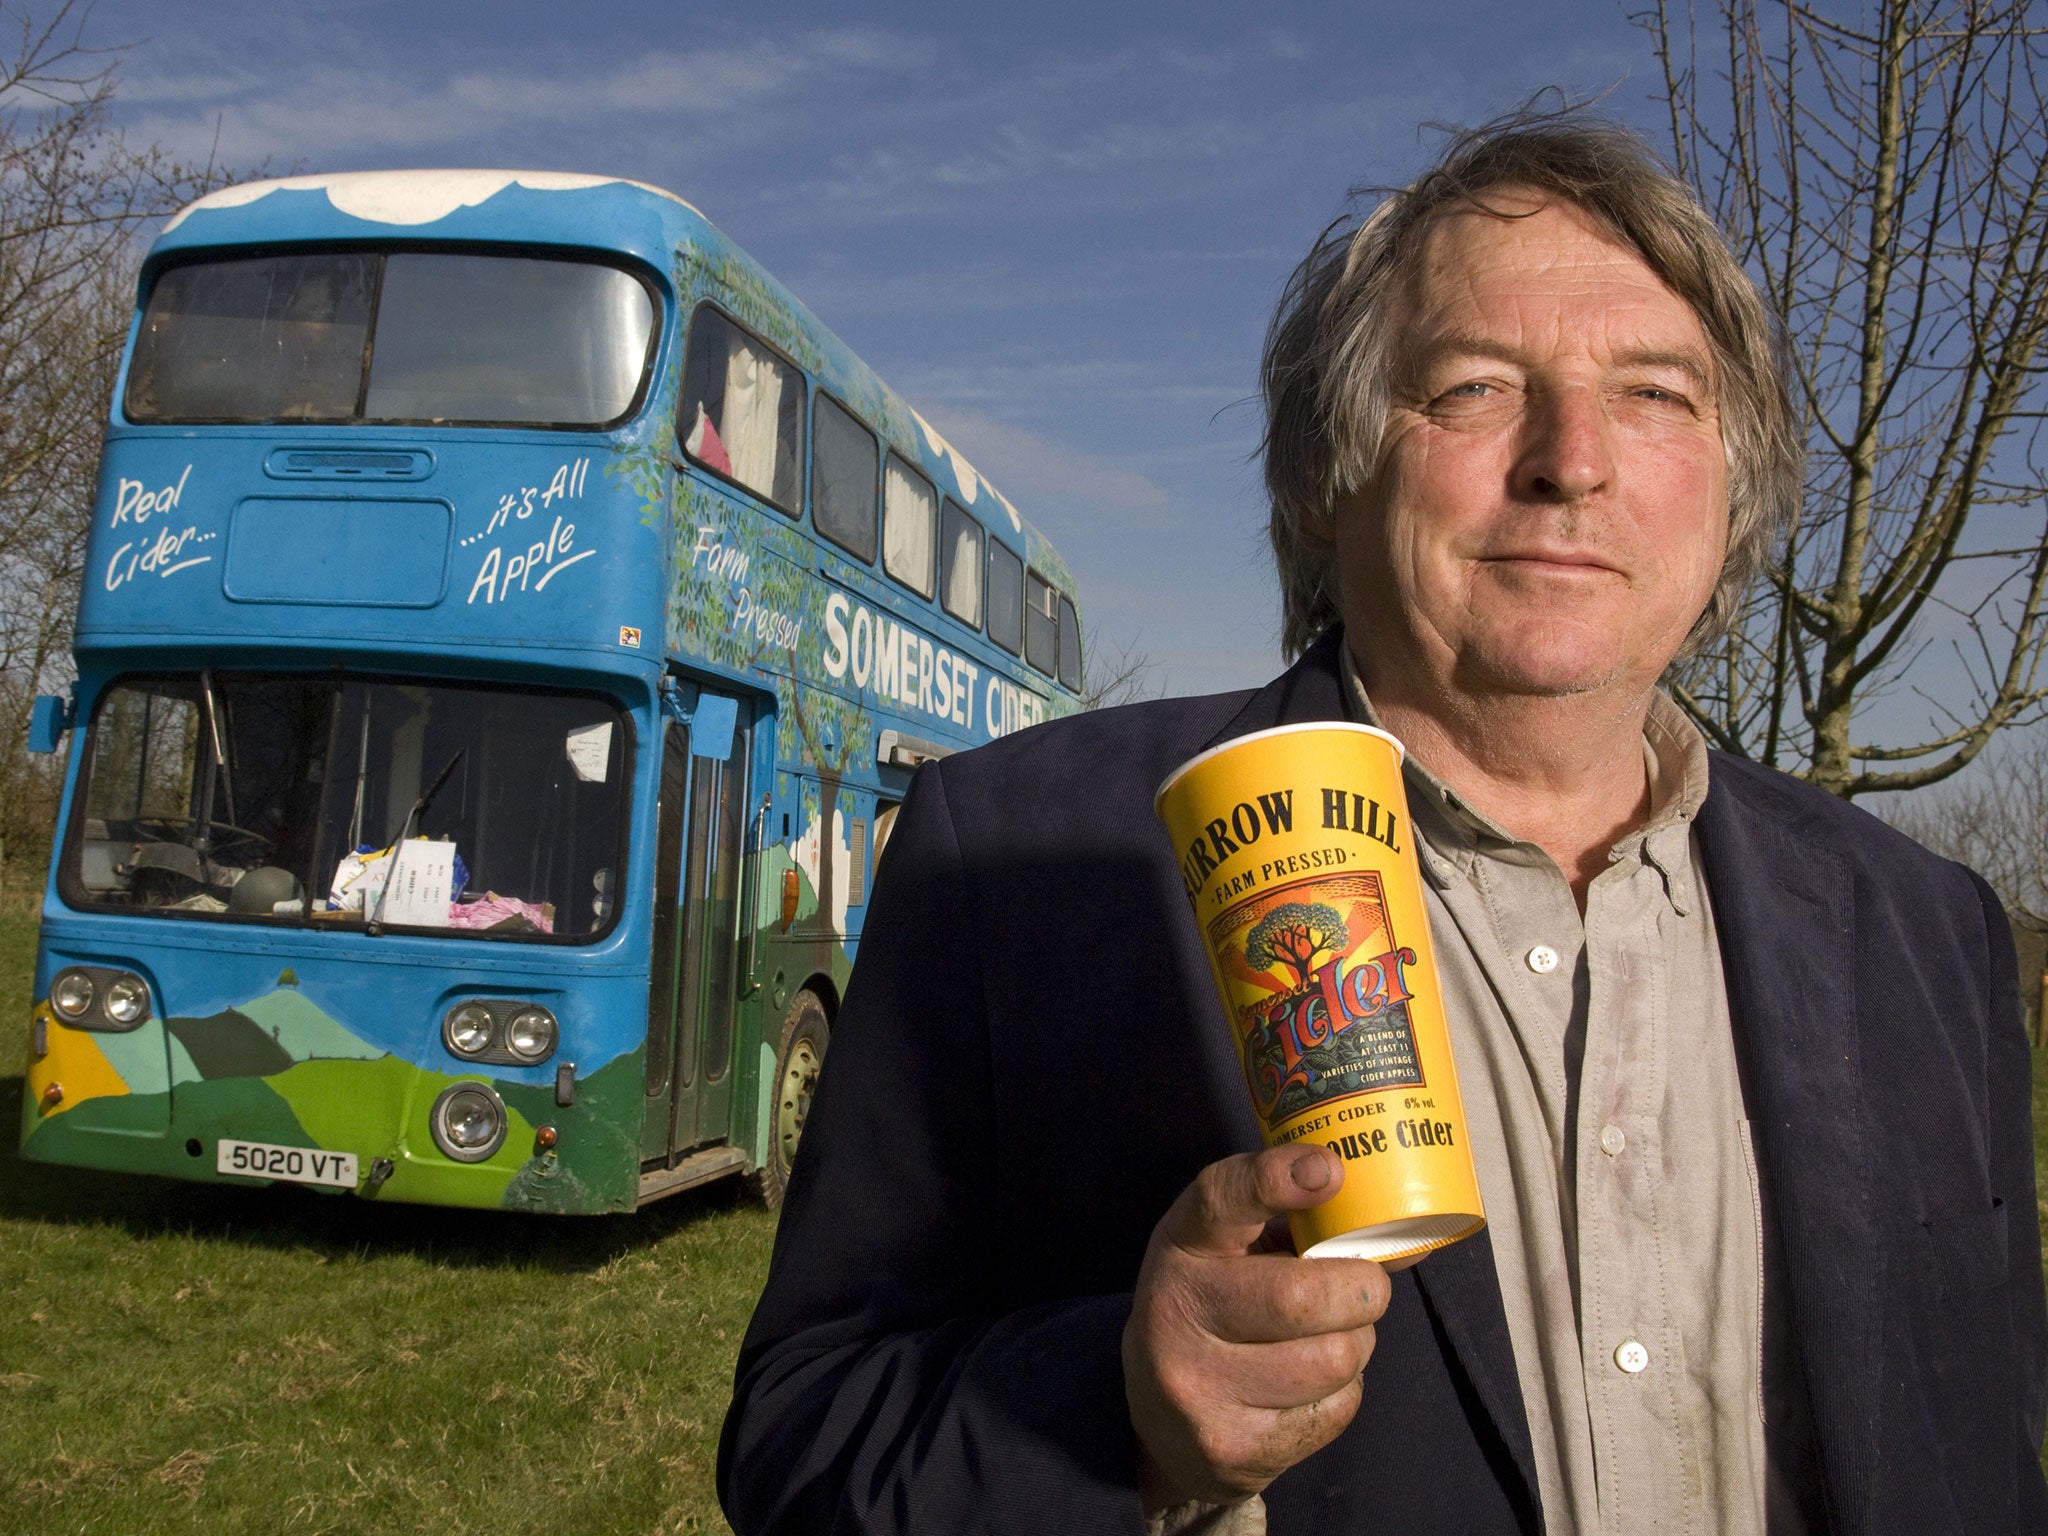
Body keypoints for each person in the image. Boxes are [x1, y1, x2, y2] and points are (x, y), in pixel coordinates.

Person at [718, 108, 2048, 1535]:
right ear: (1334, 469)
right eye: (1476, 386)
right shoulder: (1027, 860)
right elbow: (807, 1437)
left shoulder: (1930, 929)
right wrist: (1124, 1413)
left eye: (1658, 395)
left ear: (1733, 487)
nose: (1573, 460)